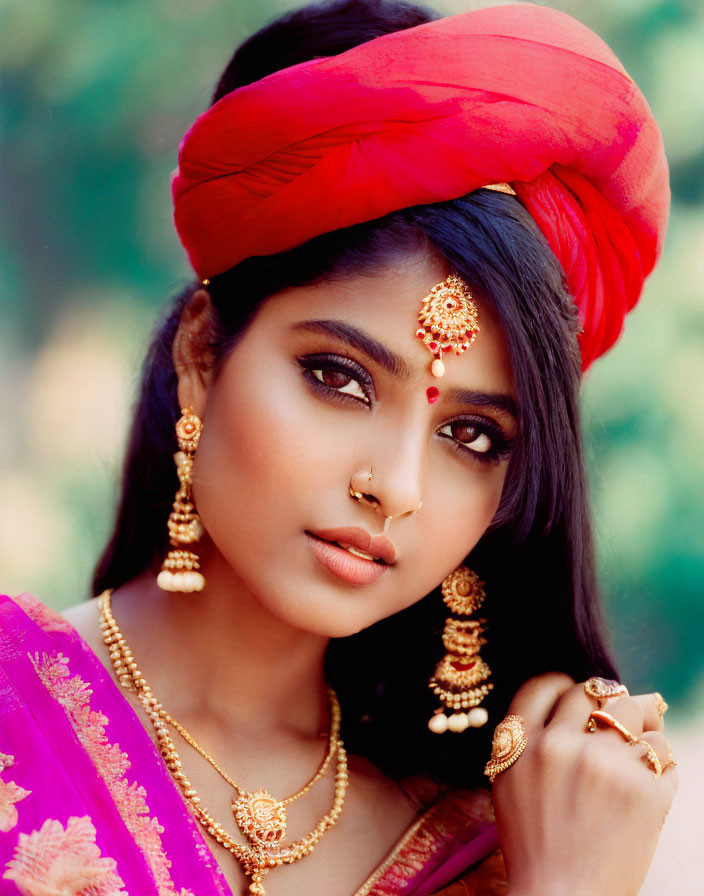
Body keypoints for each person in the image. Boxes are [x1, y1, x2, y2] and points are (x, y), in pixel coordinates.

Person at [0, 1, 677, 894]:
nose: (394, 486)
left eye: (470, 435)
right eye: (339, 378)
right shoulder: (21, 719)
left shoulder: (508, 842)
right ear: (204, 352)